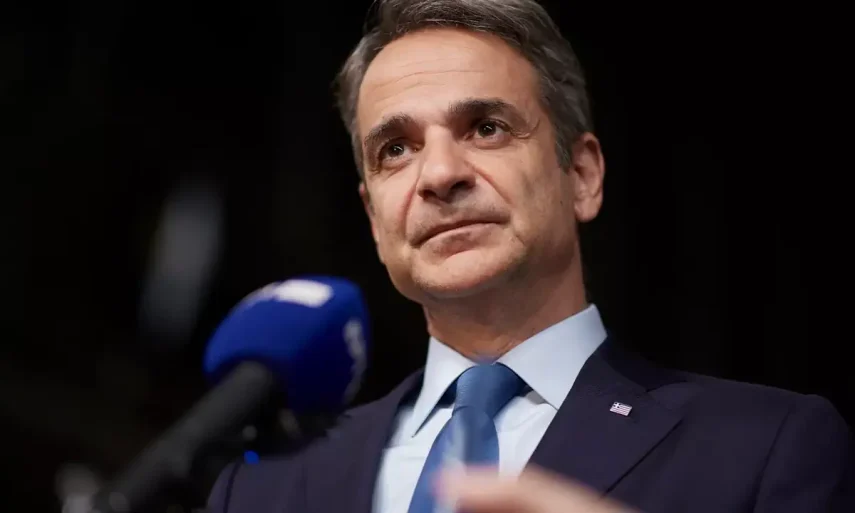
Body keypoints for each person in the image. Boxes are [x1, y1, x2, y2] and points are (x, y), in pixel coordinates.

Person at [207, 1, 853, 512]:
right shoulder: (263, 487)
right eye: (395, 150)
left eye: (486, 128)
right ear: (374, 218)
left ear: (582, 176)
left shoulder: (763, 446)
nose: (439, 174)